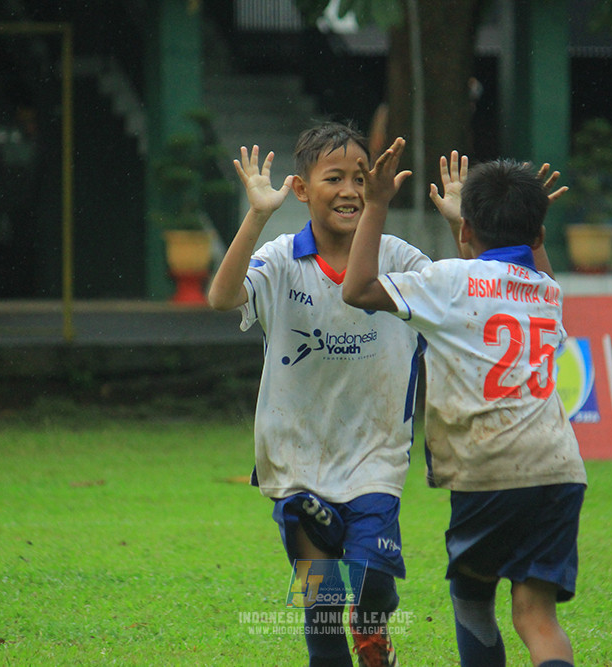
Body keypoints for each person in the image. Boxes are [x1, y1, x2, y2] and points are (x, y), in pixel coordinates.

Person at [342, 140, 587, 667]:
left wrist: (378, 203)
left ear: (466, 234)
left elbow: (358, 289)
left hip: (489, 471)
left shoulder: (449, 280)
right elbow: (523, 276)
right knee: (536, 617)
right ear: (540, 235)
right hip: (560, 470)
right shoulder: (548, 293)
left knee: (473, 599)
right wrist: (499, 223)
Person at [207, 121, 439, 667]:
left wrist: (458, 229)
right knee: (322, 605)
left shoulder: (399, 259)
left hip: (374, 458)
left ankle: (374, 628)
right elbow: (222, 297)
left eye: (361, 177)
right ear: (303, 188)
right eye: (334, 177)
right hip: (296, 463)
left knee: (375, 585)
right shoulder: (282, 258)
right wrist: (258, 214)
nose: (351, 190)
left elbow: (457, 302)